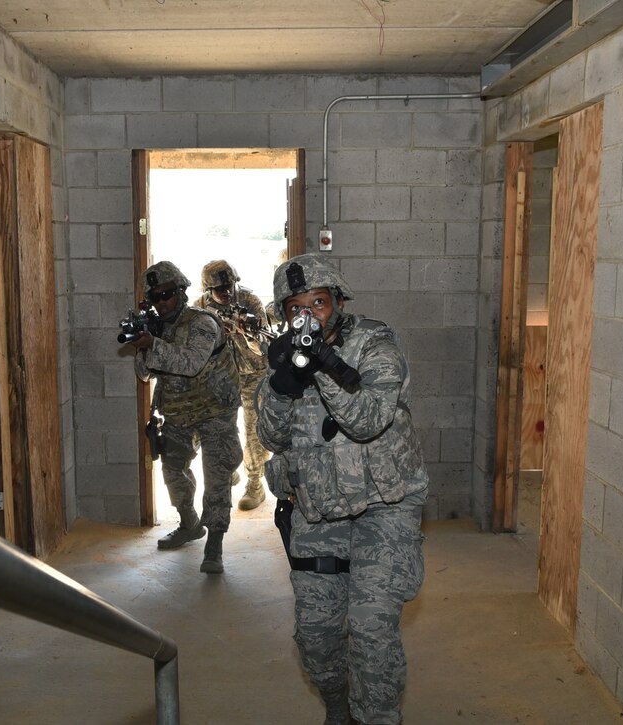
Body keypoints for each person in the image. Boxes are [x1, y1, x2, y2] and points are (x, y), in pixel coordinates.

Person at [256, 254, 428, 725]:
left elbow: (368, 420)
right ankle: (338, 707)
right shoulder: (284, 354)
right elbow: (270, 438)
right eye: (296, 308)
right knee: (317, 637)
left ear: (338, 302)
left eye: (318, 303)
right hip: (319, 510)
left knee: (371, 632)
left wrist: (324, 367)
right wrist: (282, 387)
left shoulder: (375, 344)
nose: (308, 315)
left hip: (385, 507)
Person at [128, 261, 243, 574]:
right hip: (179, 410)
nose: (162, 302)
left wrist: (154, 344)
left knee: (216, 475)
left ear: (180, 291)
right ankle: (190, 523)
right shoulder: (157, 327)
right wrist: (144, 345)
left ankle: (215, 542)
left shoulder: (202, 322)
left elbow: (192, 363)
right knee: (172, 467)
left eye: (166, 294)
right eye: (155, 297)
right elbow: (144, 374)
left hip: (215, 410)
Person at [194, 259, 272, 511]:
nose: (227, 291)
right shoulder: (199, 308)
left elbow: (263, 347)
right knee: (219, 431)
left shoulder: (249, 302)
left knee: (253, 431)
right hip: (220, 378)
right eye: (220, 289)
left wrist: (246, 332)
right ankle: (230, 470)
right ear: (208, 289)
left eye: (230, 285)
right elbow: (195, 349)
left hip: (252, 375)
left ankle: (255, 483)